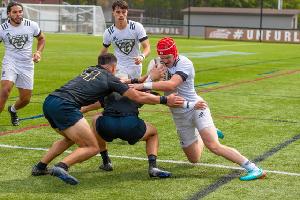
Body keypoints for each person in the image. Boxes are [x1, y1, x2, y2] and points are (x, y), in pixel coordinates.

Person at [31, 53, 184, 185]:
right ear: (112, 68)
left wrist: (147, 77)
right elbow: (136, 94)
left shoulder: (90, 70)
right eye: (115, 69)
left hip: (50, 101)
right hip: (67, 107)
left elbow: (122, 83)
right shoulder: (110, 78)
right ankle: (62, 166)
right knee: (91, 147)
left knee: (70, 138)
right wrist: (165, 99)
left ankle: (40, 167)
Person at [131, 37, 266, 181]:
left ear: (175, 53)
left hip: (196, 107)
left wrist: (143, 86)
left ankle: (253, 168)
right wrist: (141, 79)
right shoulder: (158, 63)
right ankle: (205, 132)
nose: (165, 61)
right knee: (194, 159)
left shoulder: (184, 63)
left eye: (168, 57)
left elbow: (171, 85)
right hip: (179, 115)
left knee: (213, 146)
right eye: (162, 57)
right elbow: (145, 82)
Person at [81, 91, 172, 178]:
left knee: (96, 119)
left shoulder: (109, 88)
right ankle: (153, 167)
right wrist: (166, 99)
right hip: (130, 125)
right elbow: (153, 98)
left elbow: (96, 103)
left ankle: (106, 162)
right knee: (153, 133)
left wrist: (83, 109)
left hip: (107, 126)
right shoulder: (136, 90)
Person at [0, 2, 46, 126]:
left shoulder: (31, 25)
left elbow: (41, 38)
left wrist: (38, 52)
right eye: (14, 12)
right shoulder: (2, 29)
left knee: (25, 100)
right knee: (5, 90)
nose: (18, 14)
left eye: (20, 11)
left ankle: (12, 110)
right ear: (8, 14)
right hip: (10, 62)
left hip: (27, 64)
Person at [100, 0, 150, 79]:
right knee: (122, 84)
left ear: (127, 12)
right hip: (119, 66)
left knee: (132, 88)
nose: (121, 15)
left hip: (135, 67)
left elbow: (147, 47)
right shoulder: (108, 32)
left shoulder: (137, 27)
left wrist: (141, 57)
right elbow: (103, 51)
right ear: (113, 13)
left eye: (123, 12)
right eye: (118, 12)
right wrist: (100, 67)